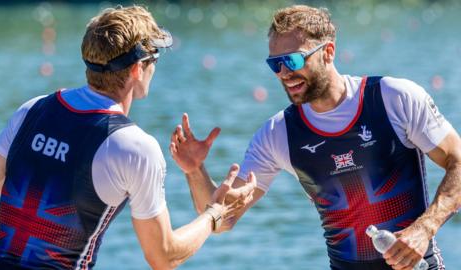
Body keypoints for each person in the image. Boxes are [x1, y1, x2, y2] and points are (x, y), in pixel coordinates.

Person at [169, 4, 461, 270]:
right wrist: (195, 170)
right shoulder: (276, 134)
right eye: (275, 64)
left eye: (293, 61)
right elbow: (223, 219)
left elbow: (457, 162)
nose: (284, 73)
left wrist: (425, 228)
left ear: (328, 52)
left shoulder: (394, 97)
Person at [0, 5, 256, 270]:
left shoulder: (32, 110)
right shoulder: (134, 147)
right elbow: (164, 257)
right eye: (154, 60)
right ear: (137, 69)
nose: (154, 68)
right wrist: (213, 214)